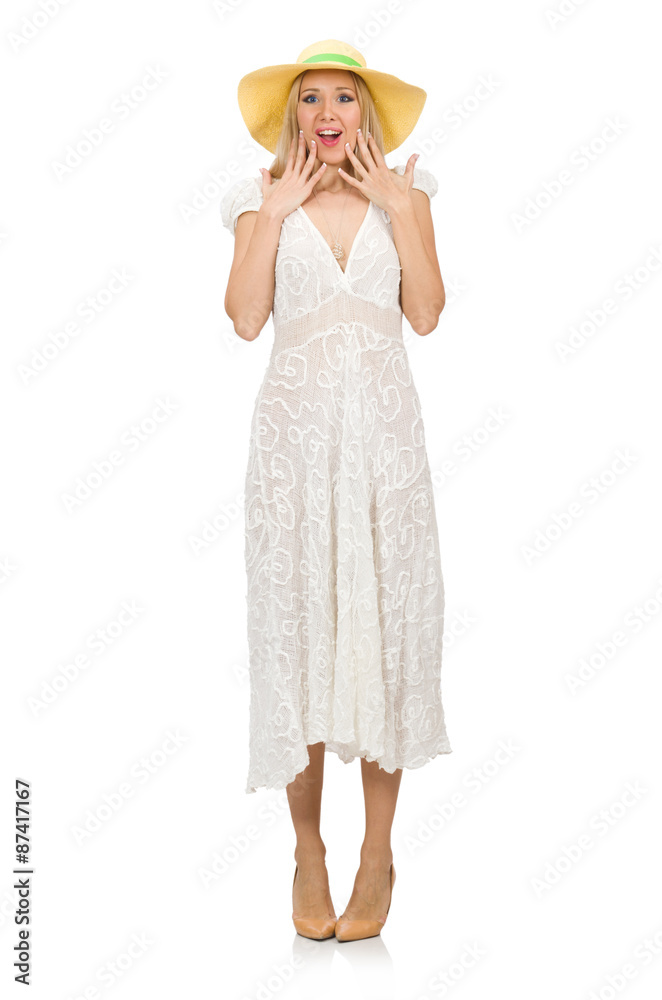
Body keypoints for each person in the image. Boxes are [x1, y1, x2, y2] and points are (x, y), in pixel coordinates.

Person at [221, 39, 452, 942]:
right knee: (301, 639)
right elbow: (246, 319)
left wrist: (397, 204)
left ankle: (377, 855)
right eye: (311, 98)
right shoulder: (259, 199)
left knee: (383, 636)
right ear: (294, 114)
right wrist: (275, 211)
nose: (327, 113)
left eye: (344, 98)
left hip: (385, 451)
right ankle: (308, 851)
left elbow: (425, 314)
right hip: (294, 452)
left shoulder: (410, 196)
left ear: (366, 113)